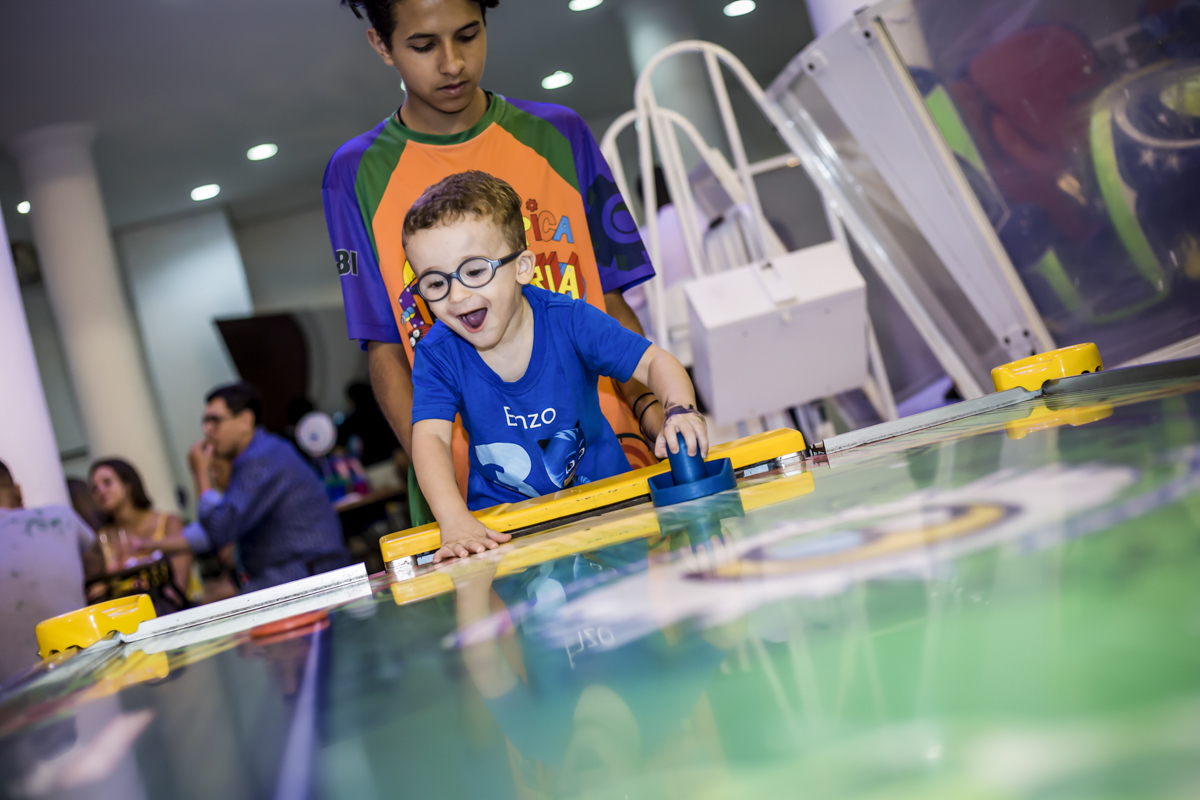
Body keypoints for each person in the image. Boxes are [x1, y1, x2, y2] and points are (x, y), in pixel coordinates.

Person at [326, 0, 666, 524]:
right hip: (473, 494)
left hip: (610, 459)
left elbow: (611, 299)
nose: (452, 62)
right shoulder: (355, 173)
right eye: (423, 45)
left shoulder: (559, 133)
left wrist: (651, 411)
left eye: (468, 35)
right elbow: (386, 349)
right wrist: (440, 480)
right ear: (382, 45)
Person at [405, 171, 707, 561]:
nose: (458, 295)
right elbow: (430, 438)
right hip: (508, 531)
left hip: (608, 509)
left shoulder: (569, 319)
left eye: (475, 271)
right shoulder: (438, 353)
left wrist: (680, 410)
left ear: (522, 267)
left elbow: (654, 362)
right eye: (434, 284)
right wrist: (453, 520)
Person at [174, 383, 348, 591]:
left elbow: (220, 529)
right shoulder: (262, 453)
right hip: (301, 571)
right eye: (205, 422)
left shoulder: (262, 458)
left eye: (215, 421)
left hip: (308, 574)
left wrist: (201, 472)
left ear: (245, 421)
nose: (206, 430)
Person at [0, 459, 101, 682]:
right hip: (79, 671)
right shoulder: (60, 516)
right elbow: (98, 562)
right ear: (18, 491)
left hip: (8, 695)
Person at [89, 458, 199, 609]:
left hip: (175, 613)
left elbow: (180, 585)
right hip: (126, 620)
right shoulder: (102, 537)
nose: (101, 491)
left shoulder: (168, 523)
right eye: (95, 488)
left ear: (128, 485)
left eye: (107, 483)